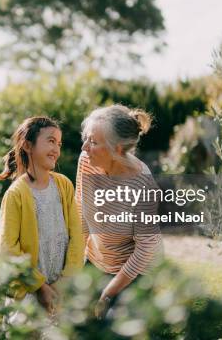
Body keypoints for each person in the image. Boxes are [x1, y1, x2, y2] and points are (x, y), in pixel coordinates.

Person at [75, 104, 163, 319]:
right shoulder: (86, 161)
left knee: (112, 324)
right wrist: (74, 263)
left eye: (94, 142)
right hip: (97, 261)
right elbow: (81, 211)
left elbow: (145, 248)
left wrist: (108, 293)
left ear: (119, 150)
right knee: (77, 319)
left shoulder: (143, 184)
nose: (85, 147)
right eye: (86, 138)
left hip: (135, 273)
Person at [0, 116, 84, 316]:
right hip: (29, 295)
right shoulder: (15, 194)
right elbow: (7, 250)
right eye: (51, 141)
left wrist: (66, 280)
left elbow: (77, 236)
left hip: (62, 292)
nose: (56, 149)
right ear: (28, 145)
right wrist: (40, 287)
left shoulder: (64, 185)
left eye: (59, 144)